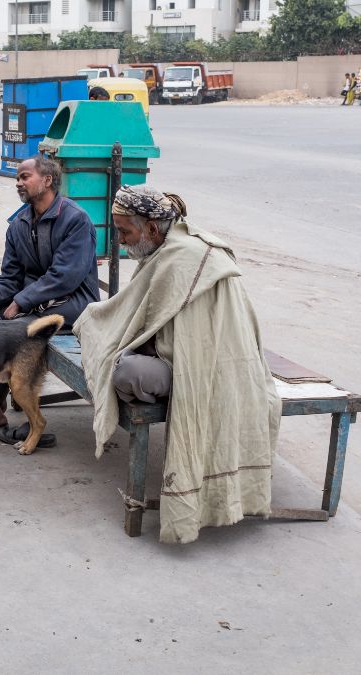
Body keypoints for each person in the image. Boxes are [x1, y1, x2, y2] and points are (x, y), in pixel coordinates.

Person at [73, 185, 280, 544]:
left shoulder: (180, 257)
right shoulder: (175, 246)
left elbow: (157, 328)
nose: (121, 241)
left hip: (207, 370)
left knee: (123, 370)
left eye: (125, 231)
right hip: (201, 362)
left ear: (151, 229)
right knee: (113, 346)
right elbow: (152, 317)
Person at [0, 154, 100, 439]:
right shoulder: (19, 224)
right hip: (32, 305)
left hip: (72, 305)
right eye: (17, 178)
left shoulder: (75, 219)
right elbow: (10, 280)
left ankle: (15, 414)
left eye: (25, 177)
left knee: (6, 332)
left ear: (47, 180)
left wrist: (22, 301)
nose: (19, 183)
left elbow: (64, 277)